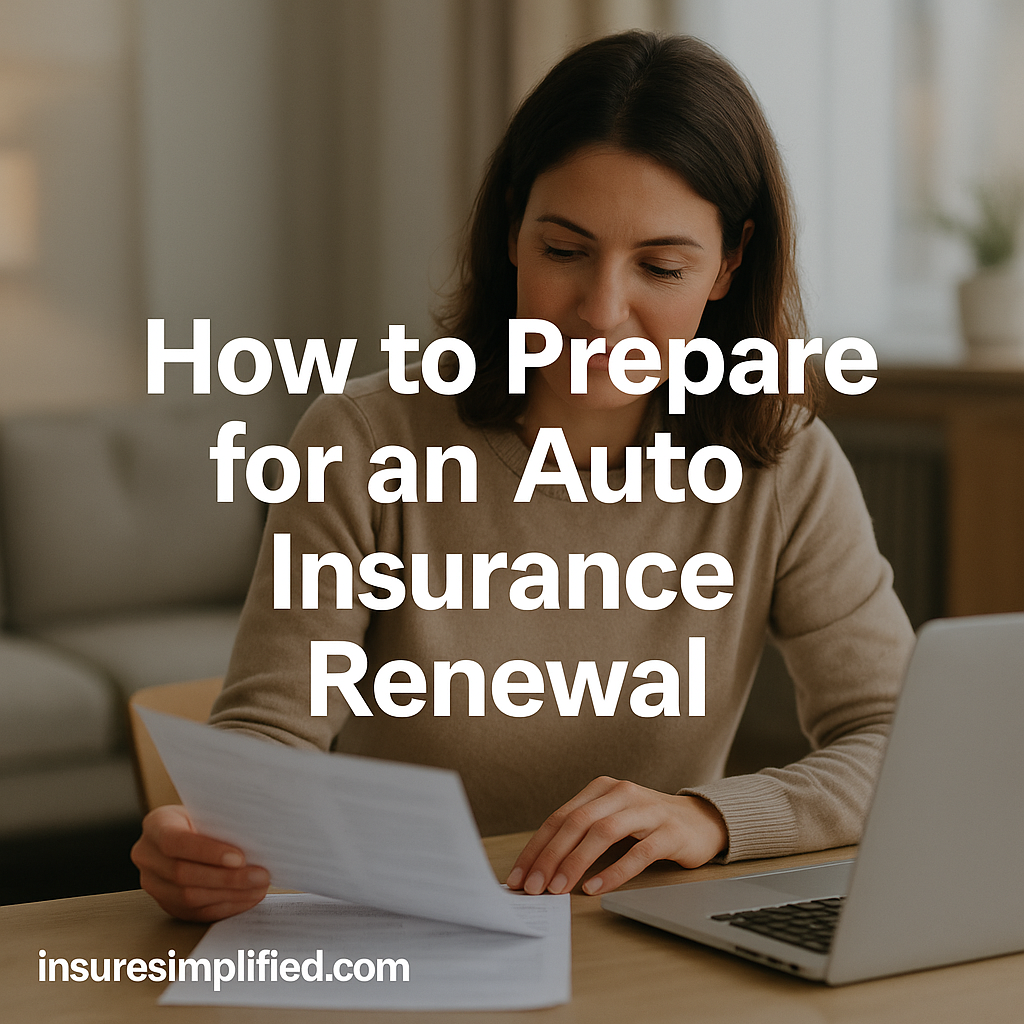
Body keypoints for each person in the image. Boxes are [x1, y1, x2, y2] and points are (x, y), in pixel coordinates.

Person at [132, 31, 914, 922]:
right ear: (511, 229)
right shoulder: (361, 440)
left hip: (649, 942)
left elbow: (897, 735)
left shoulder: (783, 462)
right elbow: (269, 736)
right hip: (409, 930)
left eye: (660, 266)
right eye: (565, 251)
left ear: (729, 264)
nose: (600, 314)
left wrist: (712, 817)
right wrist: (213, 845)